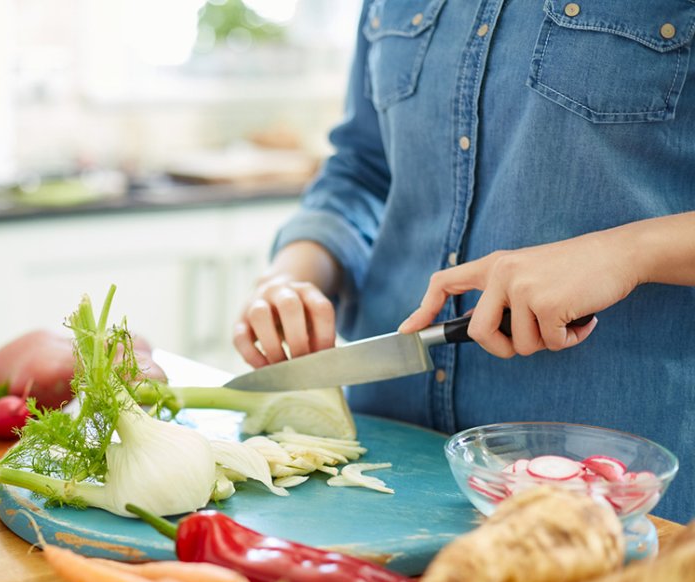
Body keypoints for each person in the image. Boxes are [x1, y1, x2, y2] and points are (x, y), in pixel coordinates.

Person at [234, 0, 695, 523]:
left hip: (611, 498)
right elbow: (363, 169)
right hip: (374, 468)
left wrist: (627, 254)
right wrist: (290, 276)